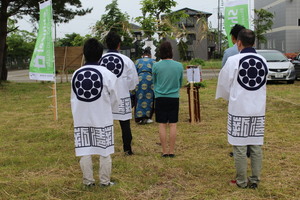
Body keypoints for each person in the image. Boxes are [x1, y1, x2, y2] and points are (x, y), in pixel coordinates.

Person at [216, 29, 268, 189]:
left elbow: (224, 85)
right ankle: (255, 180)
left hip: (239, 109)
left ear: (238, 42)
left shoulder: (233, 61)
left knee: (239, 145)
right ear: (254, 42)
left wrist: (229, 97)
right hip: (258, 109)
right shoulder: (263, 60)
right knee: (256, 144)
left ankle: (241, 181)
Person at [71, 38, 119, 187]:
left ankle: (88, 182)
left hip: (82, 118)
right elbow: (114, 99)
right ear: (100, 55)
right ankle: (105, 181)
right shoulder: (108, 74)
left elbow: (73, 98)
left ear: (84, 54)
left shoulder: (76, 74)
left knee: (84, 149)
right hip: (102, 118)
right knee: (105, 151)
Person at [99, 32, 139, 156]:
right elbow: (133, 82)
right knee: (125, 125)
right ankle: (127, 149)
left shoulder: (100, 60)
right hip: (122, 97)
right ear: (119, 45)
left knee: (104, 124)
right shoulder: (127, 60)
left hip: (104, 98)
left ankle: (104, 150)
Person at [153, 41, 183, 158]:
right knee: (173, 125)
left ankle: (164, 151)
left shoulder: (156, 66)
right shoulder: (179, 66)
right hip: (174, 97)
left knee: (162, 124)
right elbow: (180, 83)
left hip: (160, 97)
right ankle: (172, 151)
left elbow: (154, 82)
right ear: (171, 51)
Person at [133, 48, 155, 124]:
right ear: (150, 55)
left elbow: (133, 72)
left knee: (139, 97)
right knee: (149, 98)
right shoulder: (153, 61)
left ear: (143, 55)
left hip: (139, 78)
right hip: (150, 79)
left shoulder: (137, 61)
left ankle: (138, 117)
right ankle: (147, 117)